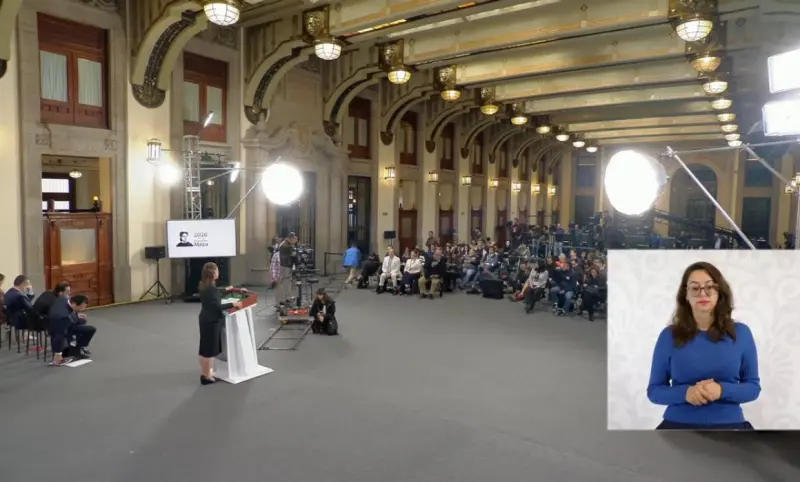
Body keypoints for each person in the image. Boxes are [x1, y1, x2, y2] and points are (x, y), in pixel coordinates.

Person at [646, 261, 760, 430]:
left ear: (719, 292)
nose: (702, 293)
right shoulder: (668, 336)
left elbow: (753, 388)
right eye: (695, 288)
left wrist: (721, 390)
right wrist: (686, 393)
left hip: (730, 426)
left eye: (710, 287)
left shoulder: (741, 333)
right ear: (685, 294)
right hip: (677, 426)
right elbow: (654, 391)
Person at [197, 262, 242, 385]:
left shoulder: (204, 285)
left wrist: (225, 289)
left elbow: (214, 294)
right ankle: (206, 377)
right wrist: (233, 304)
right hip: (211, 321)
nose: (218, 272)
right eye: (217, 270)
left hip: (205, 319)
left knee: (205, 349)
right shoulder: (211, 289)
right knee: (208, 351)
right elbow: (217, 306)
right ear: (213, 273)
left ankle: (206, 373)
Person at [48, 294, 95, 366]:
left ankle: (77, 349)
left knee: (83, 321)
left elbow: (70, 310)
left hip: (61, 320)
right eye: (80, 308)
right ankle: (75, 350)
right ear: (74, 304)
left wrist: (76, 315)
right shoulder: (64, 316)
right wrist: (58, 354)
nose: (80, 310)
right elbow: (59, 335)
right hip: (61, 325)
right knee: (91, 329)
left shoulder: (64, 298)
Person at [275, 232, 298, 306]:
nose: (295, 242)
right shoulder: (285, 245)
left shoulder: (287, 244)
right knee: (284, 283)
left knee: (287, 282)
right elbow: (289, 255)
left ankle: (287, 297)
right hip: (284, 266)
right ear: (291, 238)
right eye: (294, 240)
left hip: (286, 266)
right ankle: (281, 300)